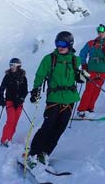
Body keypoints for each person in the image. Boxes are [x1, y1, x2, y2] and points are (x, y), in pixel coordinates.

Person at [23, 31, 83, 173]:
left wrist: (81, 76)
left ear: (70, 44)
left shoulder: (75, 60)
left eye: (62, 44)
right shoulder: (49, 59)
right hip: (54, 98)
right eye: (57, 43)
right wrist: (36, 90)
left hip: (70, 98)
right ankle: (33, 154)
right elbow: (40, 75)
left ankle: (45, 154)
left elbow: (77, 75)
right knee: (48, 126)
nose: (59, 47)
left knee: (59, 128)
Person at [76, 24, 105, 118]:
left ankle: (90, 109)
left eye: (102, 32)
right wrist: (84, 65)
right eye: (99, 32)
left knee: (97, 90)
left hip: (102, 71)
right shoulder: (91, 43)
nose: (100, 33)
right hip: (91, 69)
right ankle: (81, 110)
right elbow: (82, 53)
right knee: (89, 89)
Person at [0, 58, 28, 147]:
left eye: (13, 65)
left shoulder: (23, 77)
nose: (12, 67)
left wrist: (21, 99)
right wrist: (1, 99)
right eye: (10, 65)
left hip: (19, 103)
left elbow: (25, 90)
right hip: (9, 101)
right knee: (10, 121)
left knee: (15, 122)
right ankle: (4, 140)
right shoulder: (7, 76)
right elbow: (1, 89)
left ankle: (9, 139)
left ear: (18, 66)